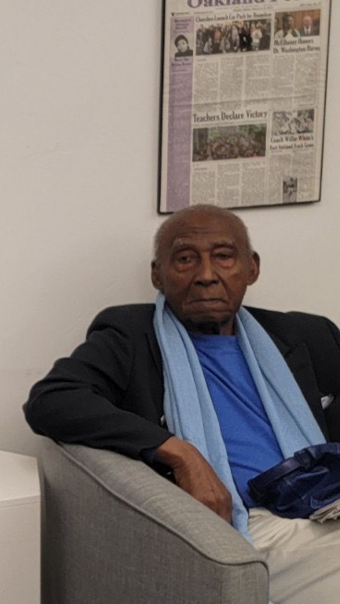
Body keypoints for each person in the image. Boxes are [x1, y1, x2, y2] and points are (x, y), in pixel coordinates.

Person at [23, 205, 340, 604]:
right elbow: (52, 399)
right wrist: (180, 452)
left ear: (251, 268)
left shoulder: (308, 334)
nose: (206, 275)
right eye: (186, 259)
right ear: (157, 274)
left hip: (327, 504)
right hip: (256, 526)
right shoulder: (130, 336)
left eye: (223, 256)